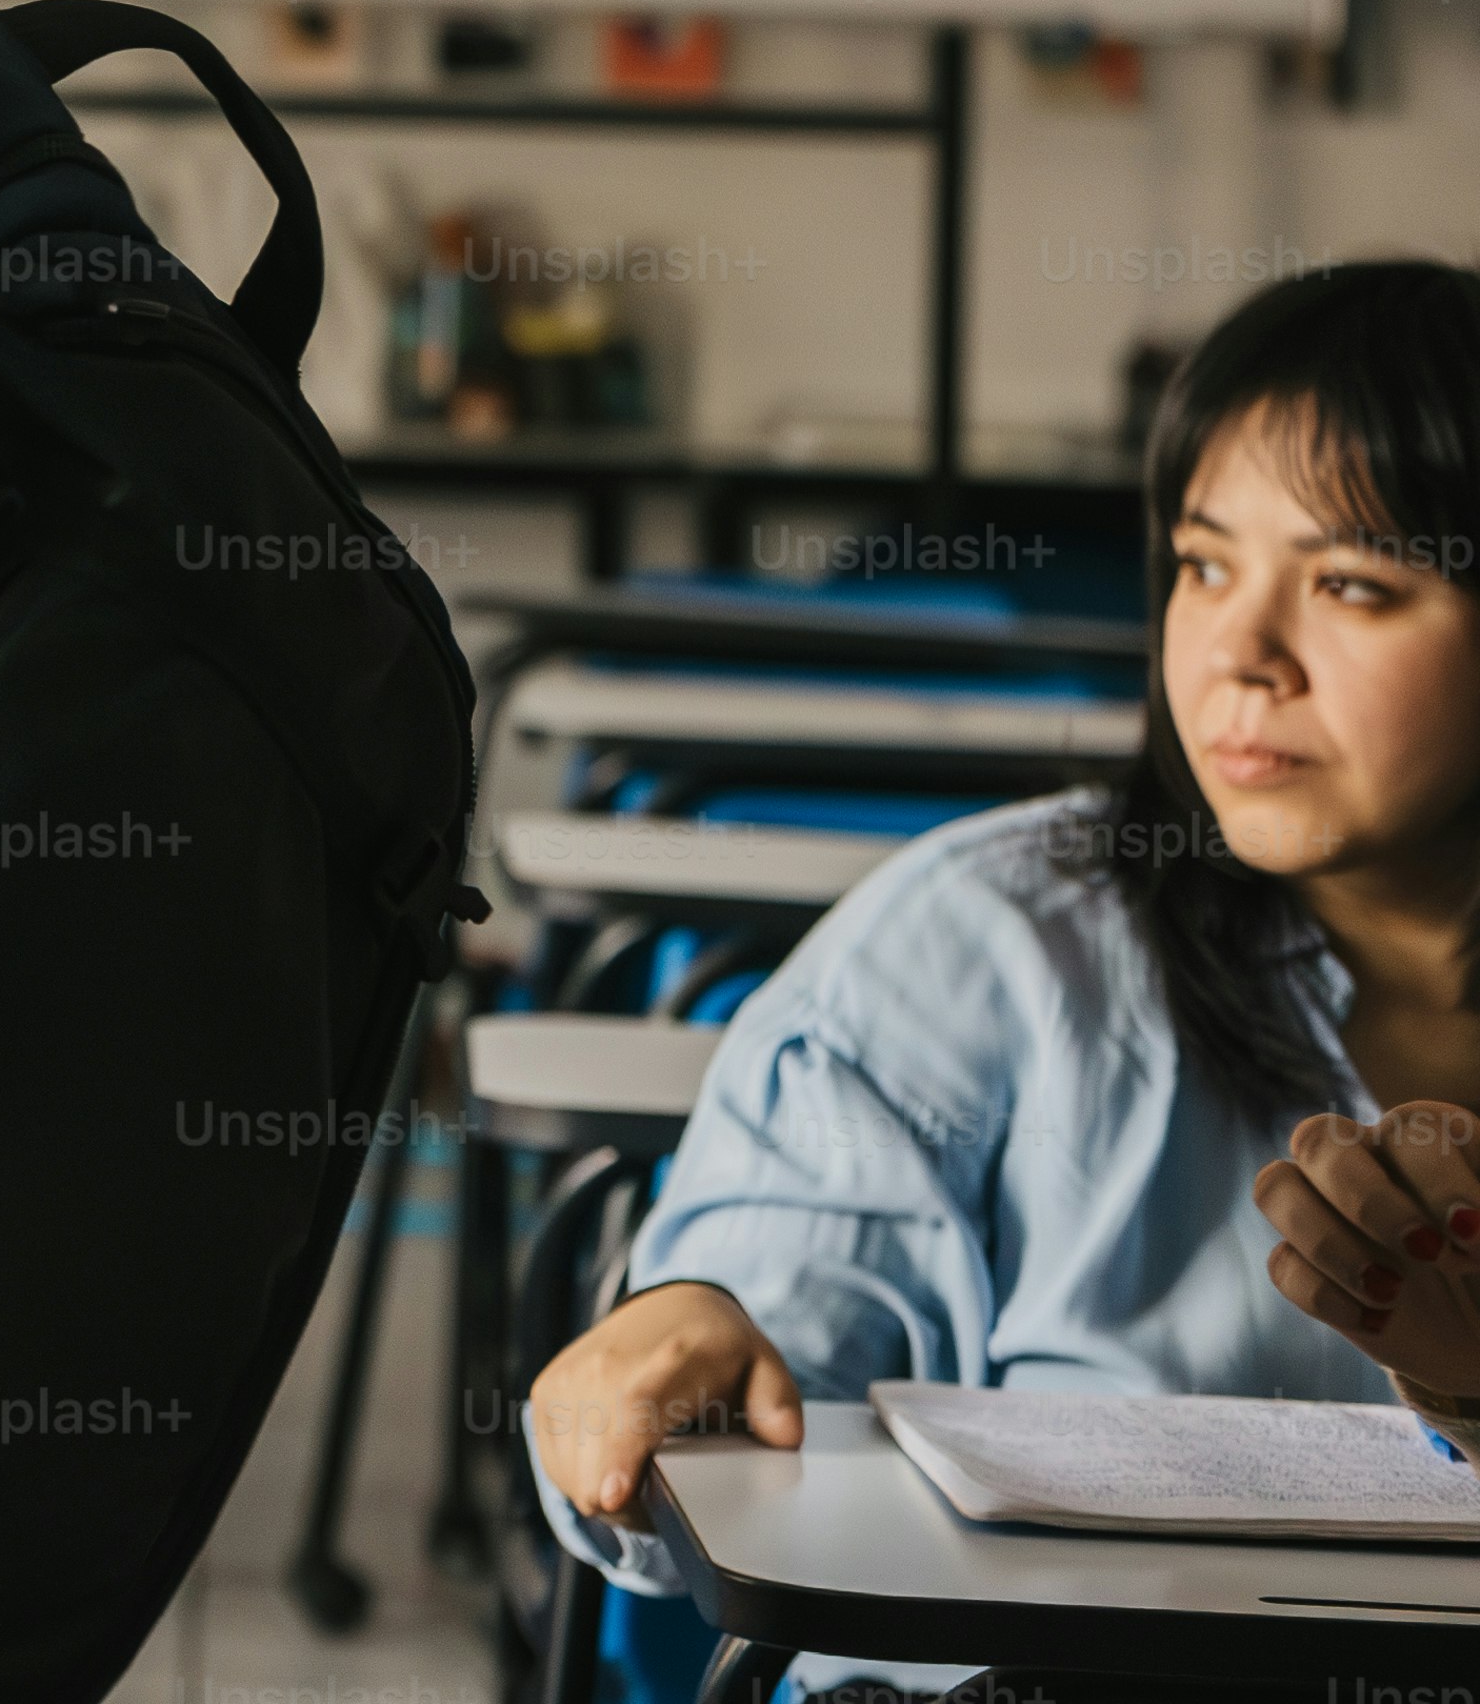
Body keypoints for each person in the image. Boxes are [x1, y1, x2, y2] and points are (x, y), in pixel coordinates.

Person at [527, 260, 1480, 1654]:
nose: (1241, 652)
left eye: (1351, 585)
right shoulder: (993, 938)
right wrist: (691, 1331)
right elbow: (778, 1301)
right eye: (1205, 563)